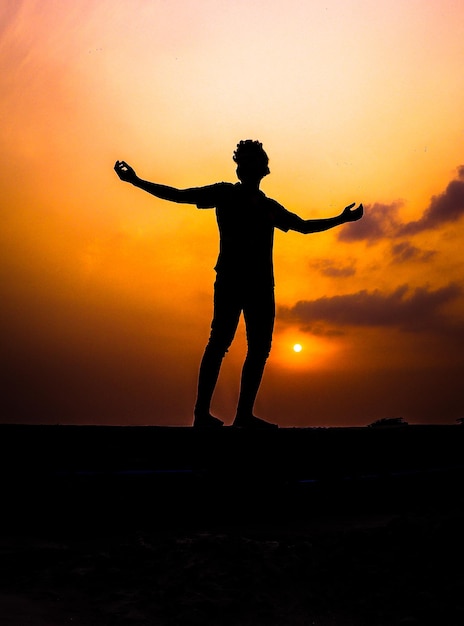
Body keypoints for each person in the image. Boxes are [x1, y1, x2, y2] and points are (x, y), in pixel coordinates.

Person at [114, 140, 363, 429]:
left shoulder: (268, 207)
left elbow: (304, 226)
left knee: (258, 348)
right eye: (242, 162)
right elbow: (179, 195)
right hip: (231, 280)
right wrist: (136, 181)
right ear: (239, 167)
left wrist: (342, 218)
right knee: (219, 343)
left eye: (251, 161)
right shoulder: (225, 194)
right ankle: (202, 414)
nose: (245, 167)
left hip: (260, 285)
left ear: (264, 168)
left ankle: (243, 415)